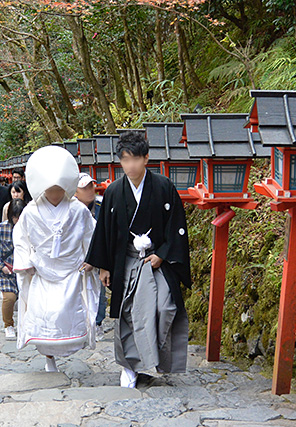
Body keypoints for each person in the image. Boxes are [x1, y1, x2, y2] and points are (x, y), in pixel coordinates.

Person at [85, 131, 191, 389]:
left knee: (165, 307)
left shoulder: (164, 187)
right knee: (128, 312)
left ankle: (158, 360)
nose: (129, 166)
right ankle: (128, 367)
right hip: (126, 260)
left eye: (134, 159)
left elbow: (176, 227)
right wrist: (104, 266)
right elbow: (104, 231)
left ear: (146, 158)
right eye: (124, 160)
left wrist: (162, 255)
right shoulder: (113, 192)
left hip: (156, 260)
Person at [13, 146, 100, 373]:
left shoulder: (78, 211)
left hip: (71, 269)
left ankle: (68, 345)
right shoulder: (30, 212)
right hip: (42, 271)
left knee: (65, 312)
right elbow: (21, 239)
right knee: (45, 314)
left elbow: (91, 235)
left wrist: (92, 258)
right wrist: (25, 262)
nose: (55, 192)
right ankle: (48, 355)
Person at [0, 199, 26, 340]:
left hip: (23, 270)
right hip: (6, 270)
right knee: (9, 298)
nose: (17, 220)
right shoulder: (1, 228)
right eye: (15, 216)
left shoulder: (29, 228)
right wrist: (1, 266)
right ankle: (8, 325)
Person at [75, 173, 106, 340]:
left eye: (91, 186)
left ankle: (97, 322)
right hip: (76, 256)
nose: (89, 190)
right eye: (84, 188)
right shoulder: (71, 209)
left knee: (98, 289)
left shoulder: (102, 204)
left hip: (99, 253)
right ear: (75, 192)